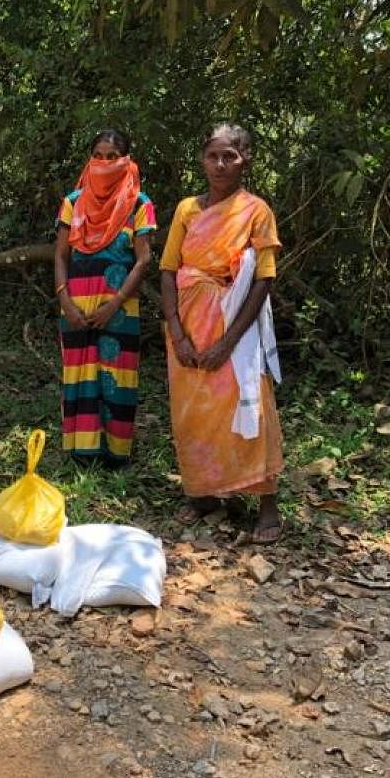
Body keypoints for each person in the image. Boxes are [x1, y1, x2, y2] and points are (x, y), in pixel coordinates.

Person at [159, 124, 284, 542]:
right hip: (188, 322)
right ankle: (205, 493)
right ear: (202, 159)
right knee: (194, 411)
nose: (220, 164)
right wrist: (176, 330)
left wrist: (228, 341)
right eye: (213, 156)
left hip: (237, 327)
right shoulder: (186, 210)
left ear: (245, 160)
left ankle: (266, 506)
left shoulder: (256, 211)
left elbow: (264, 278)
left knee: (249, 403)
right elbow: (168, 270)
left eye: (230, 156)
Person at [54, 129, 156, 466]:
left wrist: (114, 304)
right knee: (79, 376)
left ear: (127, 160)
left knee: (117, 377)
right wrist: (65, 301)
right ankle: (82, 454)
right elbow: (61, 257)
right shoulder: (73, 202)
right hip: (76, 306)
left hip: (119, 307)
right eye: (98, 155)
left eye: (113, 156)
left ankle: (115, 456)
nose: (105, 162)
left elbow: (143, 259)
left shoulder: (139, 205)